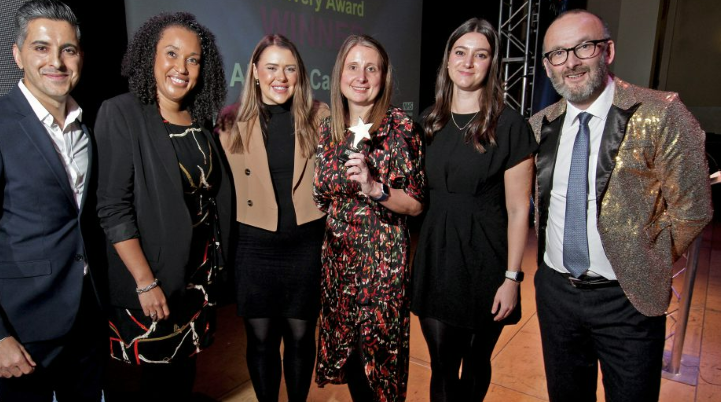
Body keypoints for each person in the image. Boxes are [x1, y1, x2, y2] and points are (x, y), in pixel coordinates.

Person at [529, 9, 712, 402]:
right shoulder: (540, 125)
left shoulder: (660, 113)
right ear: (547, 66)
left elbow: (693, 207)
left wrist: (644, 258)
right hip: (556, 295)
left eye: (584, 47)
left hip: (627, 299)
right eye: (558, 54)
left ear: (607, 50)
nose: (571, 62)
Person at [0, 1, 105, 400]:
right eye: (41, 48)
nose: (56, 62)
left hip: (89, 320)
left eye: (68, 50)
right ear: (18, 55)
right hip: (23, 332)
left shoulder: (89, 128)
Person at [94, 12, 231, 400]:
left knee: (182, 379)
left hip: (197, 277)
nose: (182, 68)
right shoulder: (121, 113)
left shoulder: (200, 119)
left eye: (193, 59)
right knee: (152, 388)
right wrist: (145, 281)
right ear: (148, 58)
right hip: (151, 280)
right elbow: (113, 209)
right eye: (171, 54)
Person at [411, 18, 537, 402]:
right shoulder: (428, 122)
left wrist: (512, 278)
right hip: (436, 260)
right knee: (442, 367)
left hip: (487, 263)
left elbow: (519, 210)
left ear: (491, 64)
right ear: (448, 62)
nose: (468, 62)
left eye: (480, 55)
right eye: (460, 53)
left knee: (476, 360)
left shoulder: (510, 126)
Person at [314, 34, 425, 402]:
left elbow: (416, 204)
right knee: (350, 360)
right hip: (338, 264)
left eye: (371, 68)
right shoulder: (328, 129)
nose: (361, 76)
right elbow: (321, 195)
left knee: (377, 367)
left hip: (380, 268)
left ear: (384, 76)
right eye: (353, 67)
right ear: (340, 74)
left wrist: (375, 188)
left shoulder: (400, 128)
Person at [218, 34, 328, 402]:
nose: (280, 77)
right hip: (254, 248)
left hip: (306, 247)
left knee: (300, 337)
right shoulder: (230, 123)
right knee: (261, 340)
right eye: (271, 67)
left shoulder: (320, 117)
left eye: (289, 68)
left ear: (300, 74)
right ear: (254, 71)